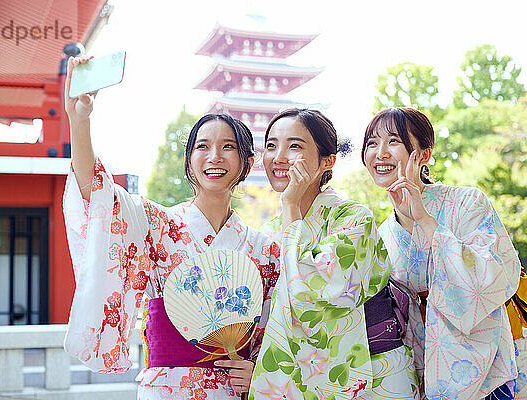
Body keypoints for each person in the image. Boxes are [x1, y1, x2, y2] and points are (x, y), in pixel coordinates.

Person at [62, 56, 280, 399]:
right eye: (203, 147)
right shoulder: (159, 224)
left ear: (247, 162)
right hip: (167, 387)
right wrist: (79, 121)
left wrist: (260, 369)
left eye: (228, 148)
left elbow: (272, 332)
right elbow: (97, 195)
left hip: (233, 388)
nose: (214, 157)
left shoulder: (265, 250)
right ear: (189, 161)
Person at [249, 109, 418, 400]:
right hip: (296, 379)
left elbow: (310, 291)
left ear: (327, 160)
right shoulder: (266, 234)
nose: (278, 157)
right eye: (271, 145)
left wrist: (290, 205)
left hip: (377, 372)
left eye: (294, 146)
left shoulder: (354, 218)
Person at [361, 107, 524, 400]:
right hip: (420, 371)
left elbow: (497, 276)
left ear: (423, 154)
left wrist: (424, 219)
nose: (380, 153)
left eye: (393, 141)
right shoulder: (381, 233)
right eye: (372, 143)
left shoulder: (467, 202)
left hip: (482, 368)